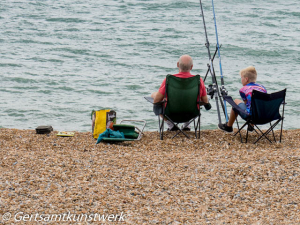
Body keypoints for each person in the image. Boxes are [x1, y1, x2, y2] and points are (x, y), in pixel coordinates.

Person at [151, 55, 210, 131]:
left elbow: (157, 100)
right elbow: (205, 101)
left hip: (170, 114)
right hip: (191, 113)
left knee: (157, 102)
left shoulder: (169, 80)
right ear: (191, 67)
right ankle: (186, 125)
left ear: (177, 64)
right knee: (189, 101)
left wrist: (154, 95)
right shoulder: (198, 80)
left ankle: (171, 126)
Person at [218, 66, 267, 133]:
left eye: (241, 78)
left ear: (246, 79)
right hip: (265, 116)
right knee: (255, 104)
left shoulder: (243, 90)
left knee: (236, 102)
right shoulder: (262, 88)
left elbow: (247, 105)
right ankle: (251, 126)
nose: (241, 79)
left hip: (251, 117)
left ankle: (228, 126)